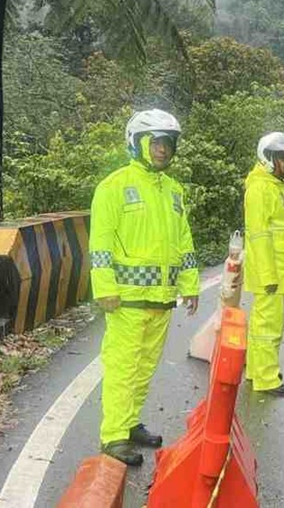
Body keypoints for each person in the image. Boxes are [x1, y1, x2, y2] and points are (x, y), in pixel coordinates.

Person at [89, 109, 201, 465]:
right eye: (156, 143)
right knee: (123, 367)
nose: (162, 150)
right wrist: (104, 287)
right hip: (126, 300)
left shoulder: (174, 191)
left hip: (161, 299)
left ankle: (131, 423)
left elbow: (184, 243)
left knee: (145, 367)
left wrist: (191, 284)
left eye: (167, 143)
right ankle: (114, 435)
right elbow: (100, 245)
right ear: (137, 143)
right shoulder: (113, 187)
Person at [244, 131, 284, 397]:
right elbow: (258, 234)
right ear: (268, 158)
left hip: (276, 271)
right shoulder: (260, 189)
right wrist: (269, 276)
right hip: (270, 274)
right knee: (267, 327)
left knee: (264, 325)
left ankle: (256, 370)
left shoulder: (274, 185)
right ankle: (267, 379)